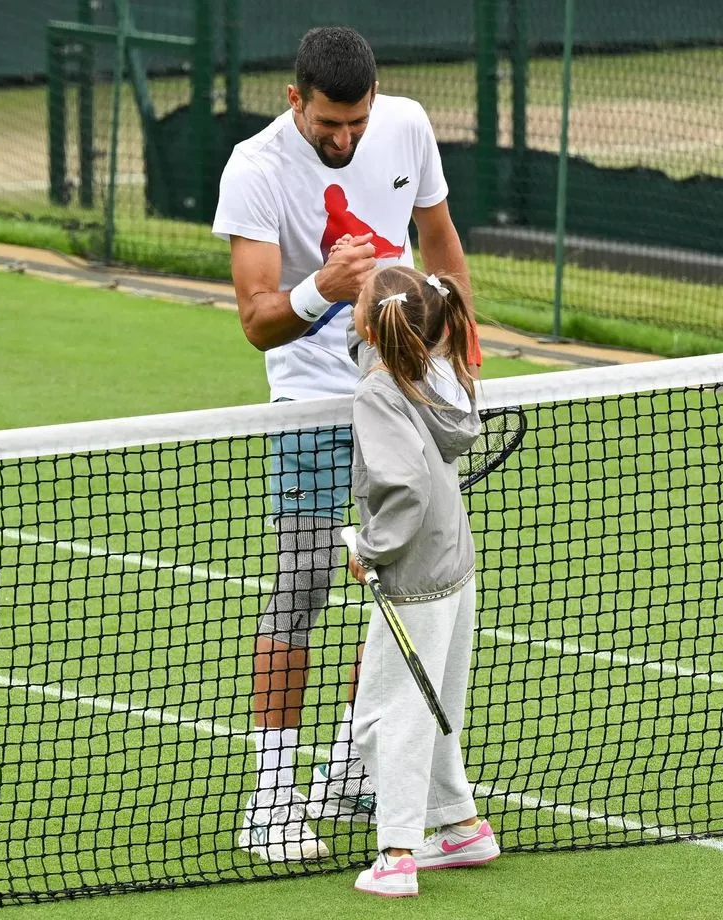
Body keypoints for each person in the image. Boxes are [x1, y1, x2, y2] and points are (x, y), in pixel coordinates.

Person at [212, 25, 481, 863]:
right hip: (311, 398)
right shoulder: (254, 169)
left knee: (407, 584)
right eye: (330, 124)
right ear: (295, 99)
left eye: (356, 124)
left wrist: (461, 360)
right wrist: (320, 289)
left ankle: (351, 769)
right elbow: (258, 320)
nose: (346, 139)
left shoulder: (404, 125)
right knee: (304, 580)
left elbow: (440, 245)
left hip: (404, 381)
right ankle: (273, 799)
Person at [346, 265, 500, 897]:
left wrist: (371, 548)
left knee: (389, 715)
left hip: (413, 570)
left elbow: (404, 483)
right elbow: (379, 345)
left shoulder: (378, 391)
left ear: (378, 325)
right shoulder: (434, 371)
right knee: (435, 707)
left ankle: (398, 853)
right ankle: (460, 826)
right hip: (453, 561)